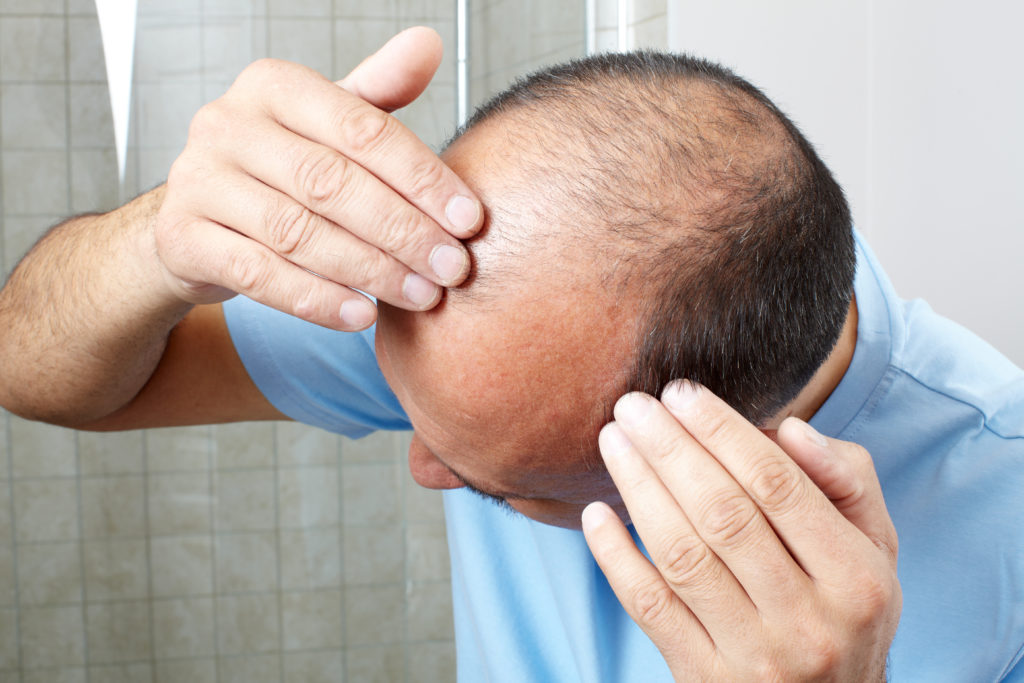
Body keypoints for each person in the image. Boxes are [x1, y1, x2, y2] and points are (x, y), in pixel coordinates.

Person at [0, 26, 1021, 681]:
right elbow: (34, 370)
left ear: (726, 445)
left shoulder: (1004, 511)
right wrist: (161, 241)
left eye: (498, 485)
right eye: (415, 407)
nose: (420, 465)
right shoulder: (458, 332)